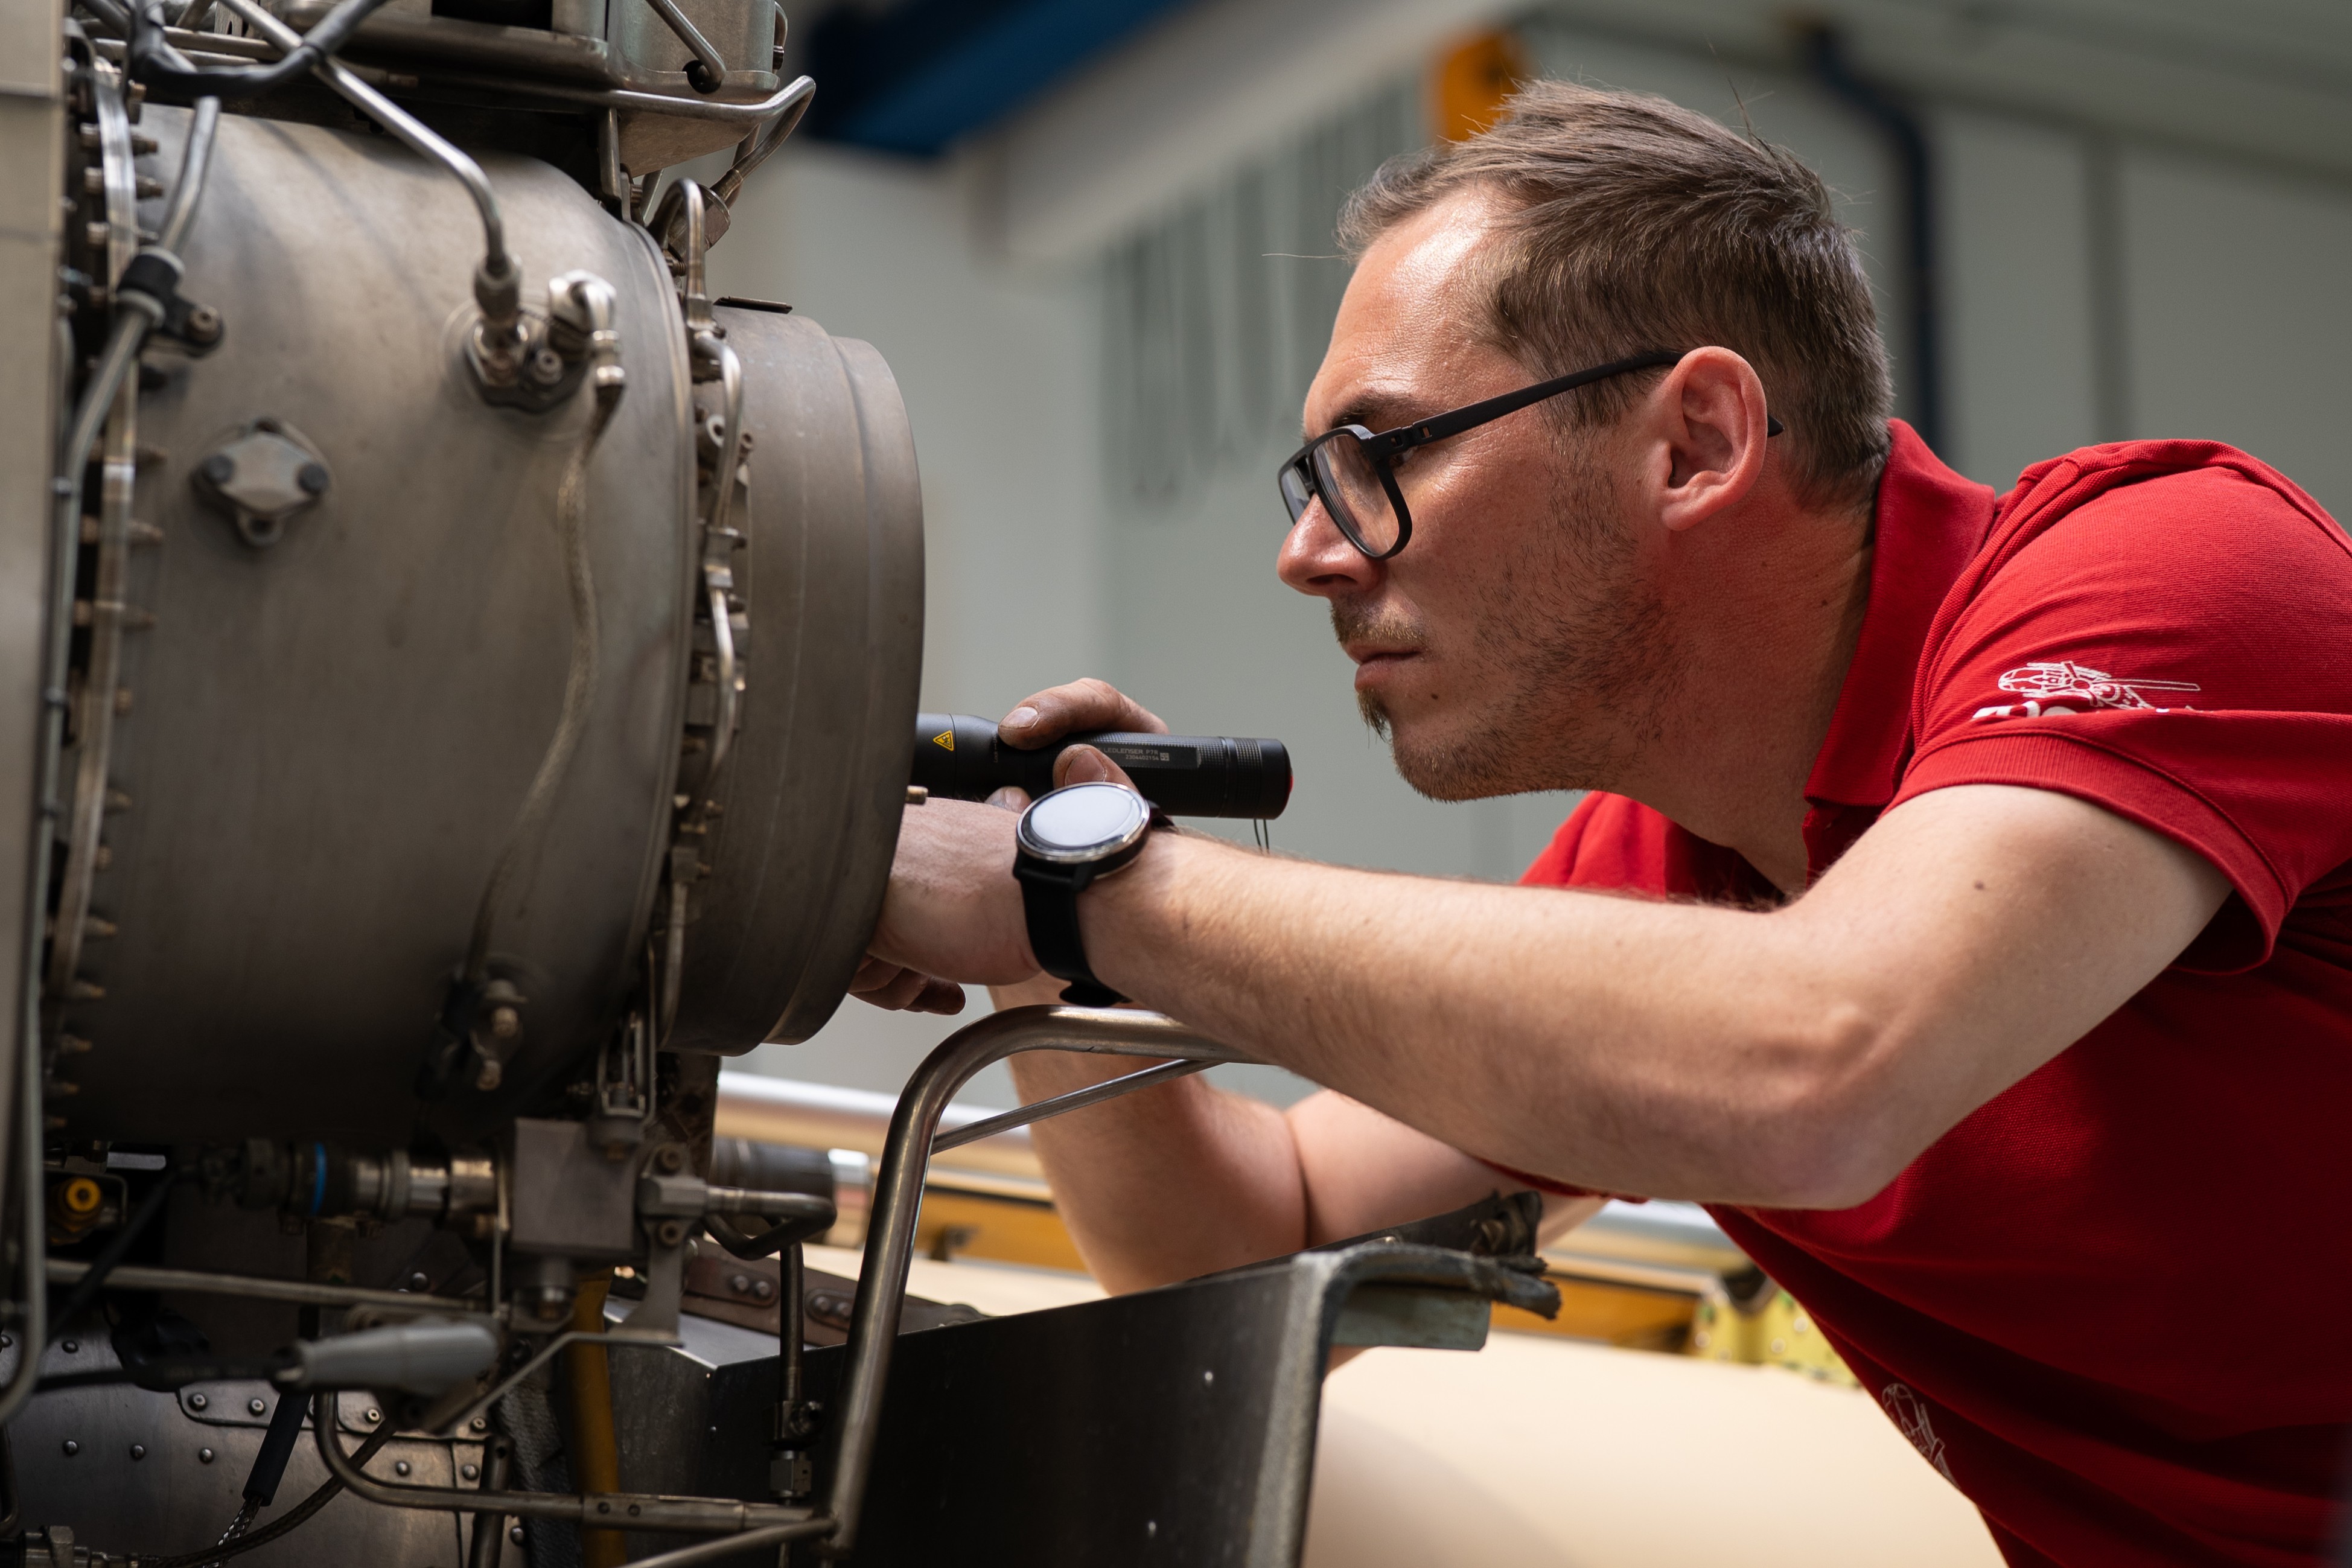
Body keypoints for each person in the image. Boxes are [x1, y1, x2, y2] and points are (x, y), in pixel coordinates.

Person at [850, 82, 2352, 1566]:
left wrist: (1090, 891)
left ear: (1695, 440)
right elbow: (1234, 1245)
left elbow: (1817, 1062)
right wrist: (1045, 940)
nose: (1311, 555)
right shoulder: (1670, 873)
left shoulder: (2179, 577)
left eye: (1382, 457)